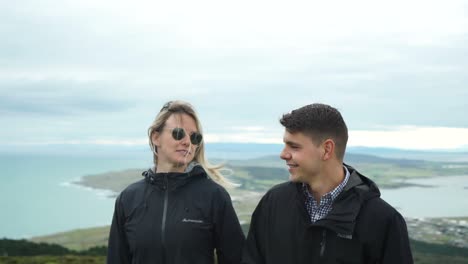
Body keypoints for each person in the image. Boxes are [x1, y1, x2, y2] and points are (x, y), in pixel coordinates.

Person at [242, 103, 413, 264]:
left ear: (326, 149)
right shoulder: (273, 202)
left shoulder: (383, 220)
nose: (283, 154)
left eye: (294, 147)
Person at [107, 100, 245, 264]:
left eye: (195, 137)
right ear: (156, 137)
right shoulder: (128, 199)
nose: (187, 142)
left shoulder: (214, 196)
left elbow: (236, 258)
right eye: (178, 133)